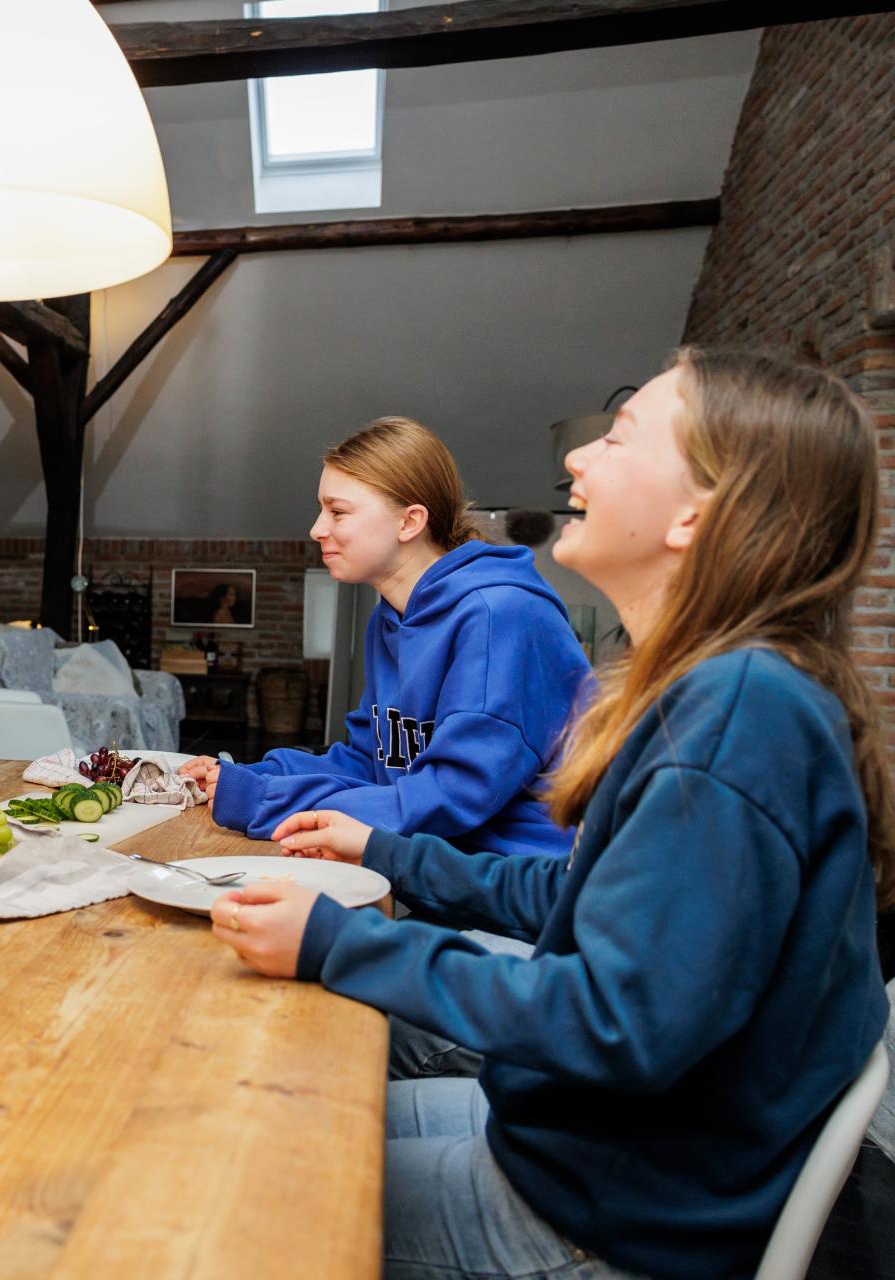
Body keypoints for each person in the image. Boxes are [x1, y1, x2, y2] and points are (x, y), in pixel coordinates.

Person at [211, 350, 893, 1280]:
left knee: (237, 1197)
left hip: (605, 1208)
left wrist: (339, 942)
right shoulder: (720, 689)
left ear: (697, 515)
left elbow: (617, 1019)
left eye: (616, 439)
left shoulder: (741, 716)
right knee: (261, 1109)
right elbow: (576, 888)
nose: (575, 463)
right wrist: (389, 854)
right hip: (577, 1141)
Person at [182, 418, 589, 859]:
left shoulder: (501, 616)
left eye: (338, 512)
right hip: (433, 862)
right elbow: (371, 764)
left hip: (518, 890)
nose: (317, 529)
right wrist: (246, 776)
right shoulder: (391, 616)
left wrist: (263, 801)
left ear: (409, 522)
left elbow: (455, 794)